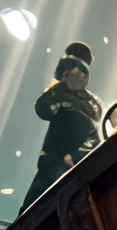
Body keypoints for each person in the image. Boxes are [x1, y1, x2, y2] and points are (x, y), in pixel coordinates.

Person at [20, 41, 105, 212]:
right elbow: (43, 109)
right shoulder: (60, 94)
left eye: (81, 70)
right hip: (53, 162)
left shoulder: (93, 102)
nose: (76, 74)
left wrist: (76, 156)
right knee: (32, 209)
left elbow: (97, 135)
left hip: (75, 167)